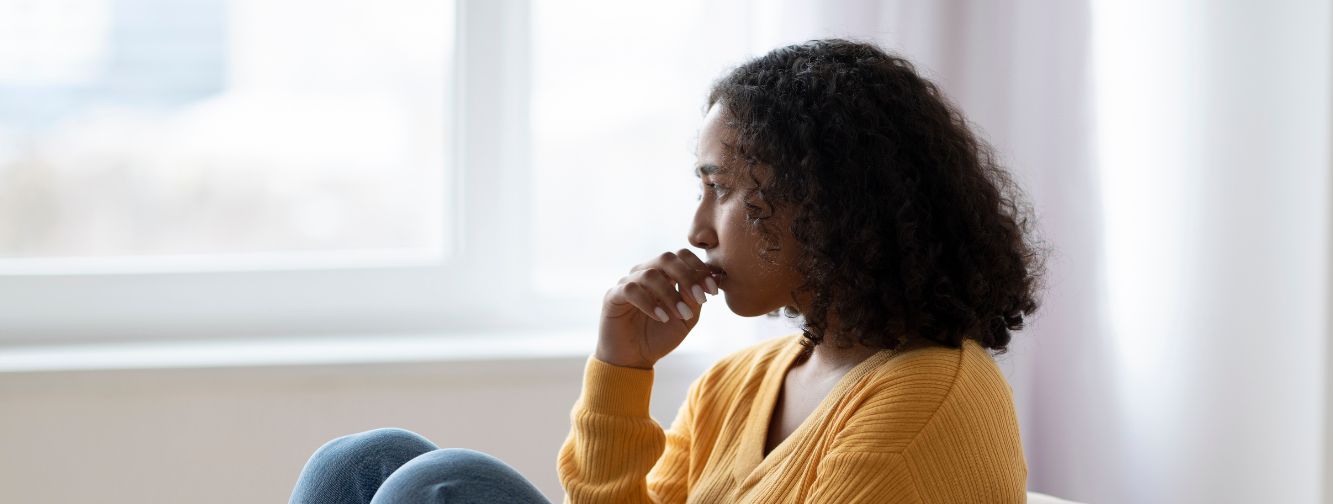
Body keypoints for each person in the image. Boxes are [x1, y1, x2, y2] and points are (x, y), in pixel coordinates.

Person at [289, 38, 1042, 504]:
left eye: (722, 189)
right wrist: (621, 370)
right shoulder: (741, 382)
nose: (697, 229)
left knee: (437, 486)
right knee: (364, 460)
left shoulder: (922, 408)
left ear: (824, 204)